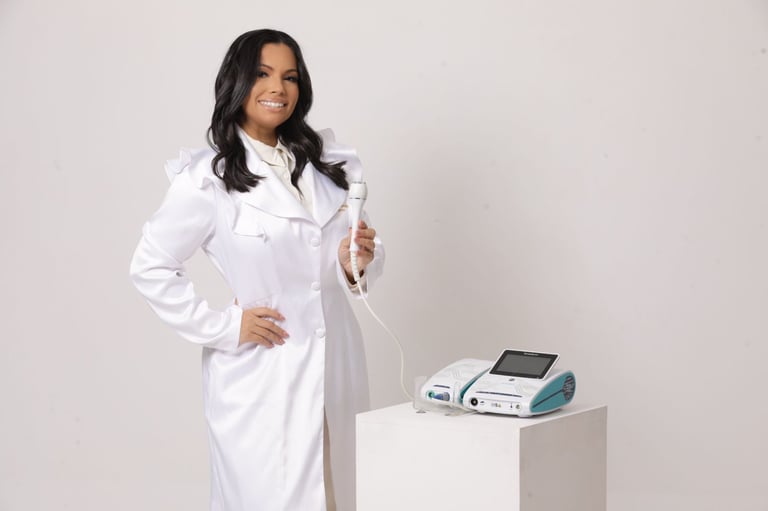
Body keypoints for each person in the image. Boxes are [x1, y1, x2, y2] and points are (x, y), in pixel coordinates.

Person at [129, 29, 384, 511]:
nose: (278, 88)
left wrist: (356, 264)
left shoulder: (329, 165)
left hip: (336, 362)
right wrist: (225, 327)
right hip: (263, 374)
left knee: (338, 492)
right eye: (263, 74)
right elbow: (151, 265)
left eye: (290, 77)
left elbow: (357, 251)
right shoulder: (208, 178)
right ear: (238, 81)